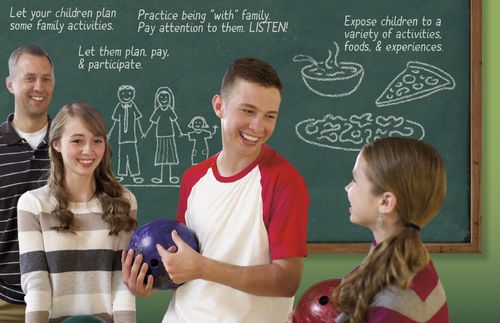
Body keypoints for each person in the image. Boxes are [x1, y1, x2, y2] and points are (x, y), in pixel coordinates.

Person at [122, 57, 310, 322]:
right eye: (248, 111)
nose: (258, 126)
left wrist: (203, 268)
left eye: (269, 116)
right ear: (219, 106)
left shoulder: (284, 182)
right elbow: (183, 266)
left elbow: (286, 280)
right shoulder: (193, 178)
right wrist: (149, 283)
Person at [16, 103, 137, 322]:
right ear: (56, 144)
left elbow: (122, 283)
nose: (88, 150)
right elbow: (36, 285)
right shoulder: (32, 205)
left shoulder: (123, 202)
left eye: (97, 140)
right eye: (77, 140)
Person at [309, 137, 448, 323]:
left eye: (356, 180)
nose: (348, 188)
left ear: (385, 202)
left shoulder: (394, 304)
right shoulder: (403, 259)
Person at [0, 44, 54, 322]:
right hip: (5, 304)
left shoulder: (73, 146)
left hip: (62, 303)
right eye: (29, 78)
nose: (39, 87)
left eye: (46, 78)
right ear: (10, 84)